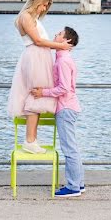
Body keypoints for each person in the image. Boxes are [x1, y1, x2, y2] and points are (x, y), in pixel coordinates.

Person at [7, 0, 73, 154]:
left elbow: (41, 42)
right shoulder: (26, 17)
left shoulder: (32, 18)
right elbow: (37, 41)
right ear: (37, 1)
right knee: (36, 95)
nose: (44, 9)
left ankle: (32, 140)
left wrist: (58, 47)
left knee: (38, 95)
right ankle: (29, 140)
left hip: (39, 56)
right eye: (44, 5)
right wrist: (61, 46)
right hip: (35, 57)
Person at [31, 26, 84, 198]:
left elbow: (64, 88)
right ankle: (79, 183)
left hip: (66, 108)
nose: (55, 34)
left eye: (60, 34)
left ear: (67, 41)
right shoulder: (62, 57)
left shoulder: (62, 61)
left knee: (69, 149)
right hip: (69, 107)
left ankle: (74, 186)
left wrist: (42, 93)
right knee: (72, 148)